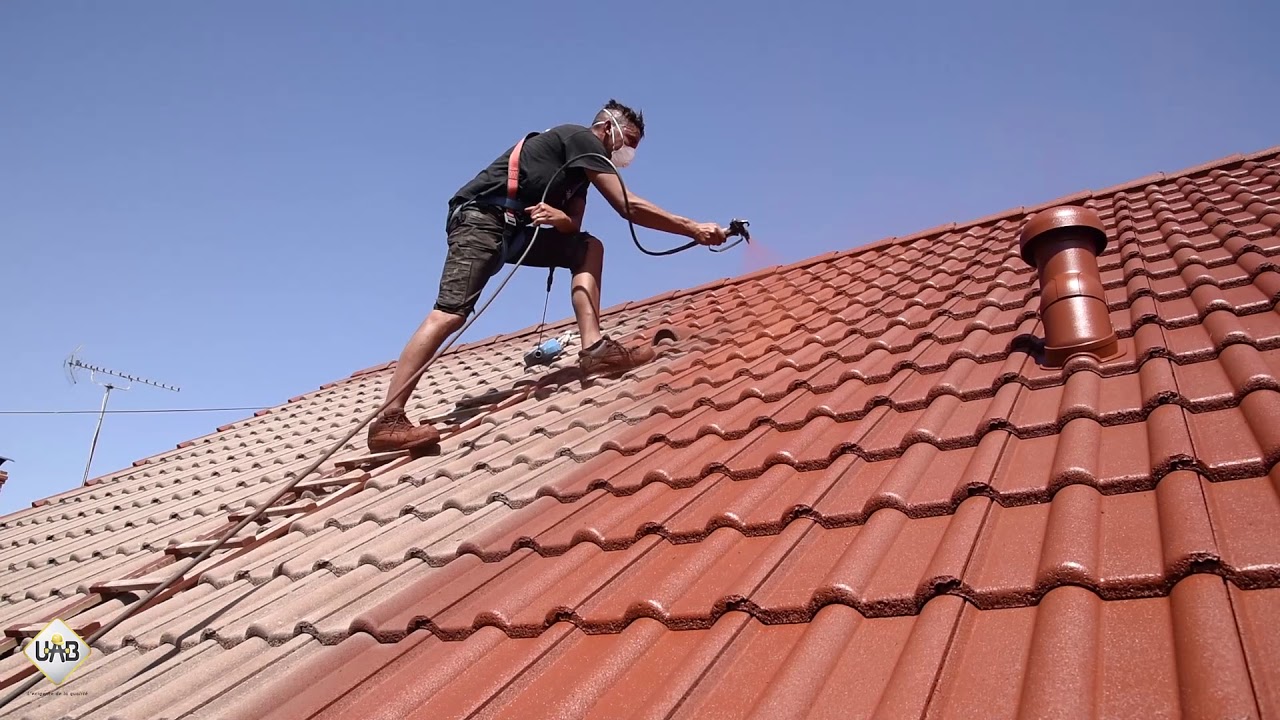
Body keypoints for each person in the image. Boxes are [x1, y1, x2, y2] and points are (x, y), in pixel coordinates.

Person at [367, 99, 729, 453]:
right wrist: (692, 227)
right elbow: (627, 205)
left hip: (518, 232)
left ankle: (593, 350)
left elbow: (574, 225)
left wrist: (559, 219)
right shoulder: (580, 138)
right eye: (628, 141)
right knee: (451, 313)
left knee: (589, 248)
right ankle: (389, 419)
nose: (628, 152)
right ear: (607, 129)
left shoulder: (580, 176)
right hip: (481, 221)